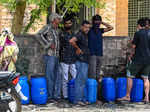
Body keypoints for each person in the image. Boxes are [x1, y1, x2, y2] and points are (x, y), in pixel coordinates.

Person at [117, 18, 150, 103]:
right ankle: (146, 97)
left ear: (138, 25)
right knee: (145, 78)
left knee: (129, 75)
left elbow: (133, 46)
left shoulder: (138, 33)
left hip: (138, 59)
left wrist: (131, 53)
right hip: (148, 59)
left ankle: (127, 96)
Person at [37, 13, 62, 102]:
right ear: (53, 20)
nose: (59, 20)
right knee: (50, 76)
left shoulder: (57, 30)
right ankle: (50, 96)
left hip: (57, 56)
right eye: (58, 19)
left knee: (58, 76)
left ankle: (56, 96)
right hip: (50, 55)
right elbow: (38, 35)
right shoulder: (48, 27)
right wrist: (48, 44)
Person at [69, 20, 91, 105]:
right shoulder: (79, 34)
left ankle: (83, 99)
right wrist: (77, 48)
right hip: (80, 60)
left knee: (83, 80)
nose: (87, 29)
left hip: (85, 60)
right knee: (79, 80)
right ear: (82, 26)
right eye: (85, 27)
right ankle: (78, 100)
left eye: (88, 27)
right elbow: (71, 41)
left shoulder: (85, 35)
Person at [88, 14, 113, 80]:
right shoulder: (89, 30)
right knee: (92, 73)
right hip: (92, 54)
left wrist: (102, 22)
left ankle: (96, 87)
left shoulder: (100, 30)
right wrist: (92, 22)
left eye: (98, 21)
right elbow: (84, 27)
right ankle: (92, 87)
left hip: (100, 54)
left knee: (98, 73)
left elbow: (111, 27)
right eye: (96, 21)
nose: (97, 23)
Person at [59, 17, 77, 100]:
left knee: (75, 76)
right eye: (66, 23)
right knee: (65, 78)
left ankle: (75, 94)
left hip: (73, 58)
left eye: (69, 23)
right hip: (64, 59)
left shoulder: (74, 34)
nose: (68, 25)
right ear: (64, 25)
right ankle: (65, 95)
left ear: (71, 24)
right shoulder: (62, 34)